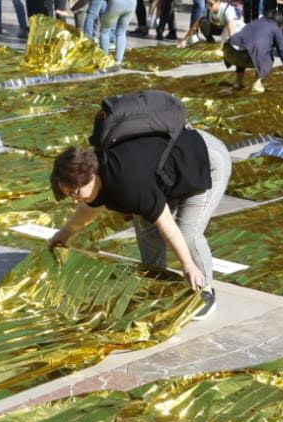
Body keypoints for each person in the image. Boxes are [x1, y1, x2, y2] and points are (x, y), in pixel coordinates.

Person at [48, 96, 231, 318]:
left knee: (187, 232)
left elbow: (165, 222)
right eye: (69, 195)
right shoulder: (95, 172)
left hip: (205, 160)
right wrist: (64, 234)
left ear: (91, 176)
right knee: (147, 231)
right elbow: (90, 208)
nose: (74, 199)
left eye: (75, 193)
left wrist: (188, 265)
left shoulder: (128, 184)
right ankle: (156, 286)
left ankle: (204, 292)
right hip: (169, 169)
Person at [224, 15, 283, 93]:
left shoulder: (255, 22)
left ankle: (238, 81)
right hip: (245, 55)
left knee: (245, 46)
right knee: (268, 56)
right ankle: (257, 83)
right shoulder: (275, 27)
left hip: (229, 52)